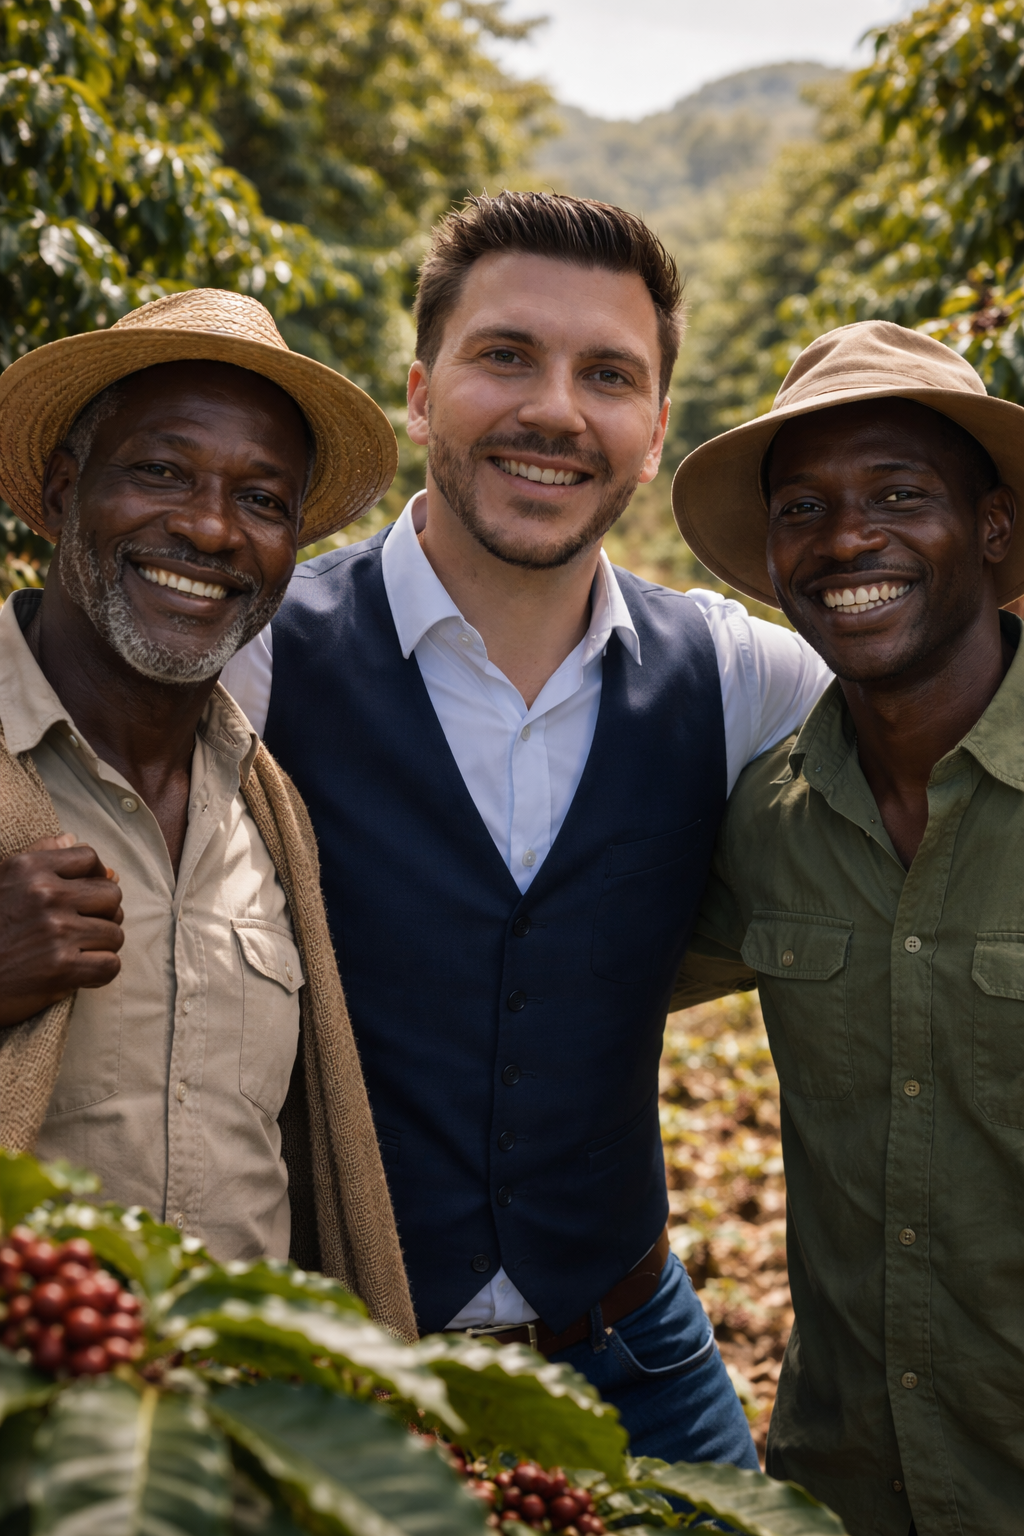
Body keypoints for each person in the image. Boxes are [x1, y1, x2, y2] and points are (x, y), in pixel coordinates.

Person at [223, 190, 830, 1464]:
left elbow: (955, 704)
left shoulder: (733, 674)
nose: (555, 408)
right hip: (341, 1361)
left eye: (607, 374)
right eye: (505, 355)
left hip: (634, 1345)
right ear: (419, 389)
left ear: (655, 430)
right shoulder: (260, 661)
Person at [0, 289, 416, 1341]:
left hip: (226, 1451)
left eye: (263, 500)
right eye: (161, 472)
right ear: (60, 492)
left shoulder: (269, 814)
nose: (209, 527)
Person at [671, 320, 1024, 1534]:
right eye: (803, 508)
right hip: (845, 1484)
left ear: (991, 527)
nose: (846, 539)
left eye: (897, 494)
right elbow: (583, 974)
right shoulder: (769, 820)